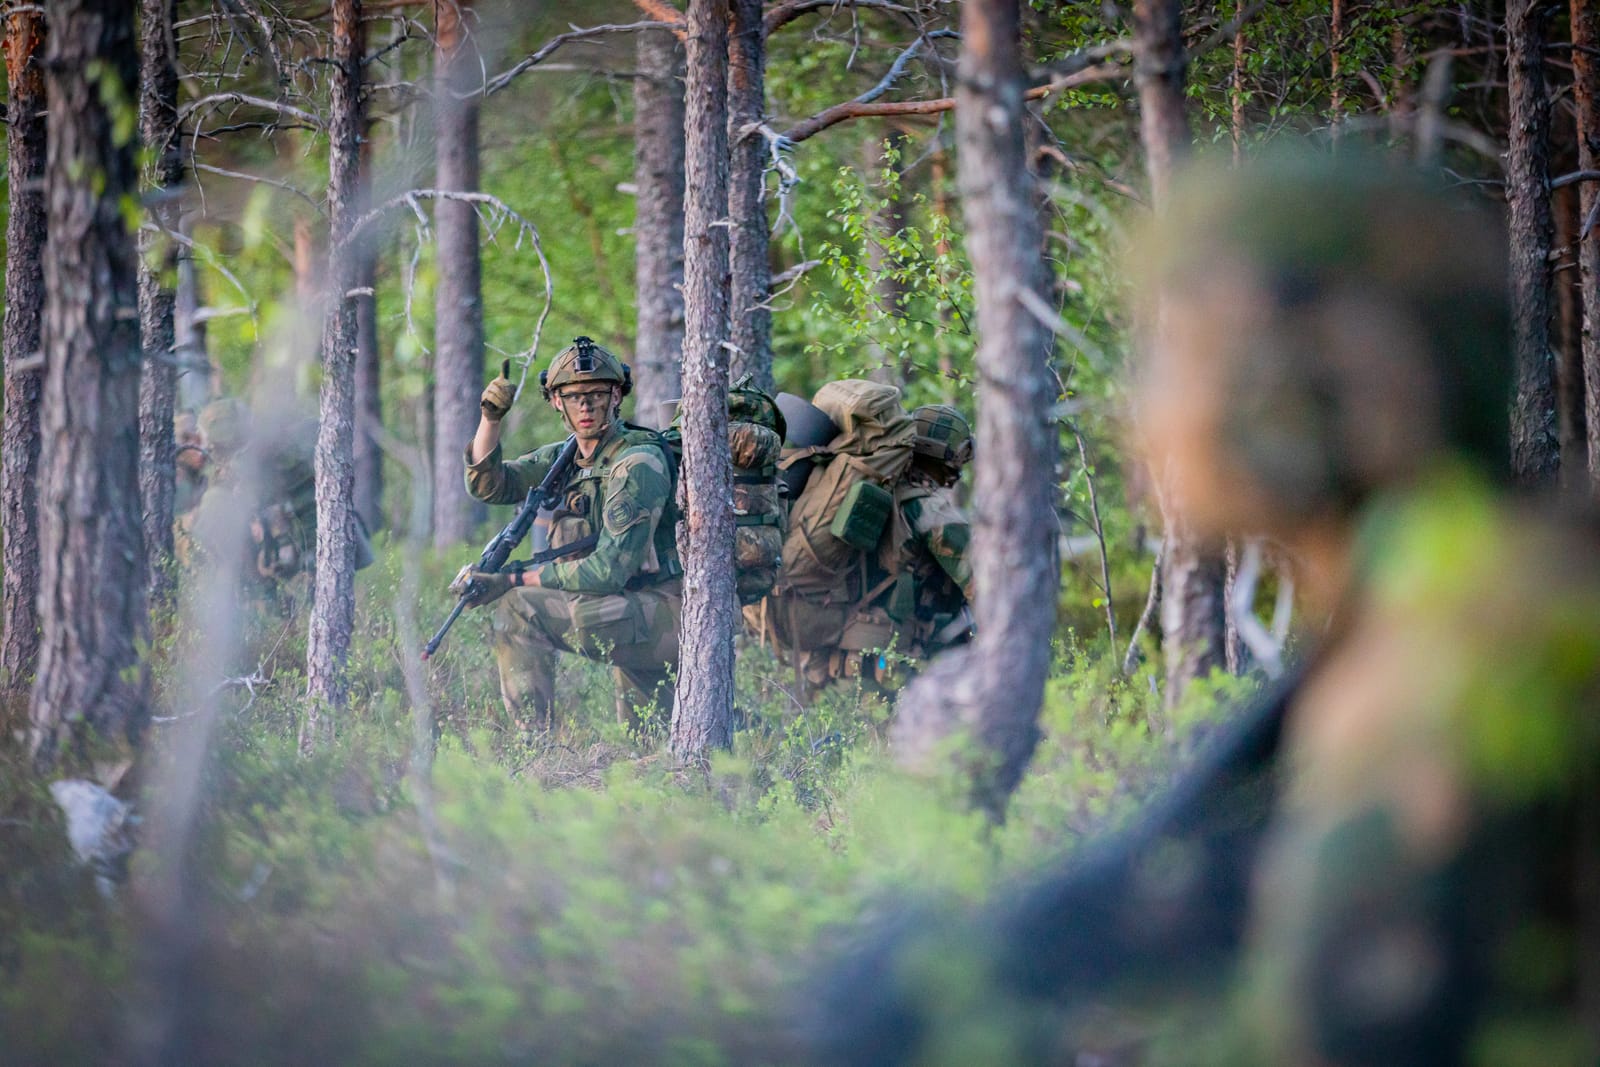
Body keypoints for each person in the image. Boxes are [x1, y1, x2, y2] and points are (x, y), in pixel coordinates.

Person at [806, 152, 1600, 1065]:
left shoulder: (1441, 674)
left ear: (1299, 387)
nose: (1137, 413)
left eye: (1176, 354)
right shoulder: (1480, 589)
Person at [451, 338, 682, 732]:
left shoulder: (637, 461)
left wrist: (511, 580)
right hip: (632, 612)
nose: (586, 406)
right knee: (653, 743)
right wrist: (490, 419)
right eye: (573, 396)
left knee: (519, 608)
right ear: (557, 402)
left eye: (595, 394)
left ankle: (533, 749)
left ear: (615, 396)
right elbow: (490, 486)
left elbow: (608, 572)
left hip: (666, 615)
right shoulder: (569, 457)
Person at [751, 400, 976, 692]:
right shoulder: (928, 509)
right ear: (947, 457)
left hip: (828, 655)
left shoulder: (860, 485)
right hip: (883, 662)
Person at [175, 398, 370, 604]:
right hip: (324, 552)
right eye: (187, 438)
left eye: (198, 437)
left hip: (302, 558)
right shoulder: (280, 448)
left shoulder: (245, 472)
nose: (196, 444)